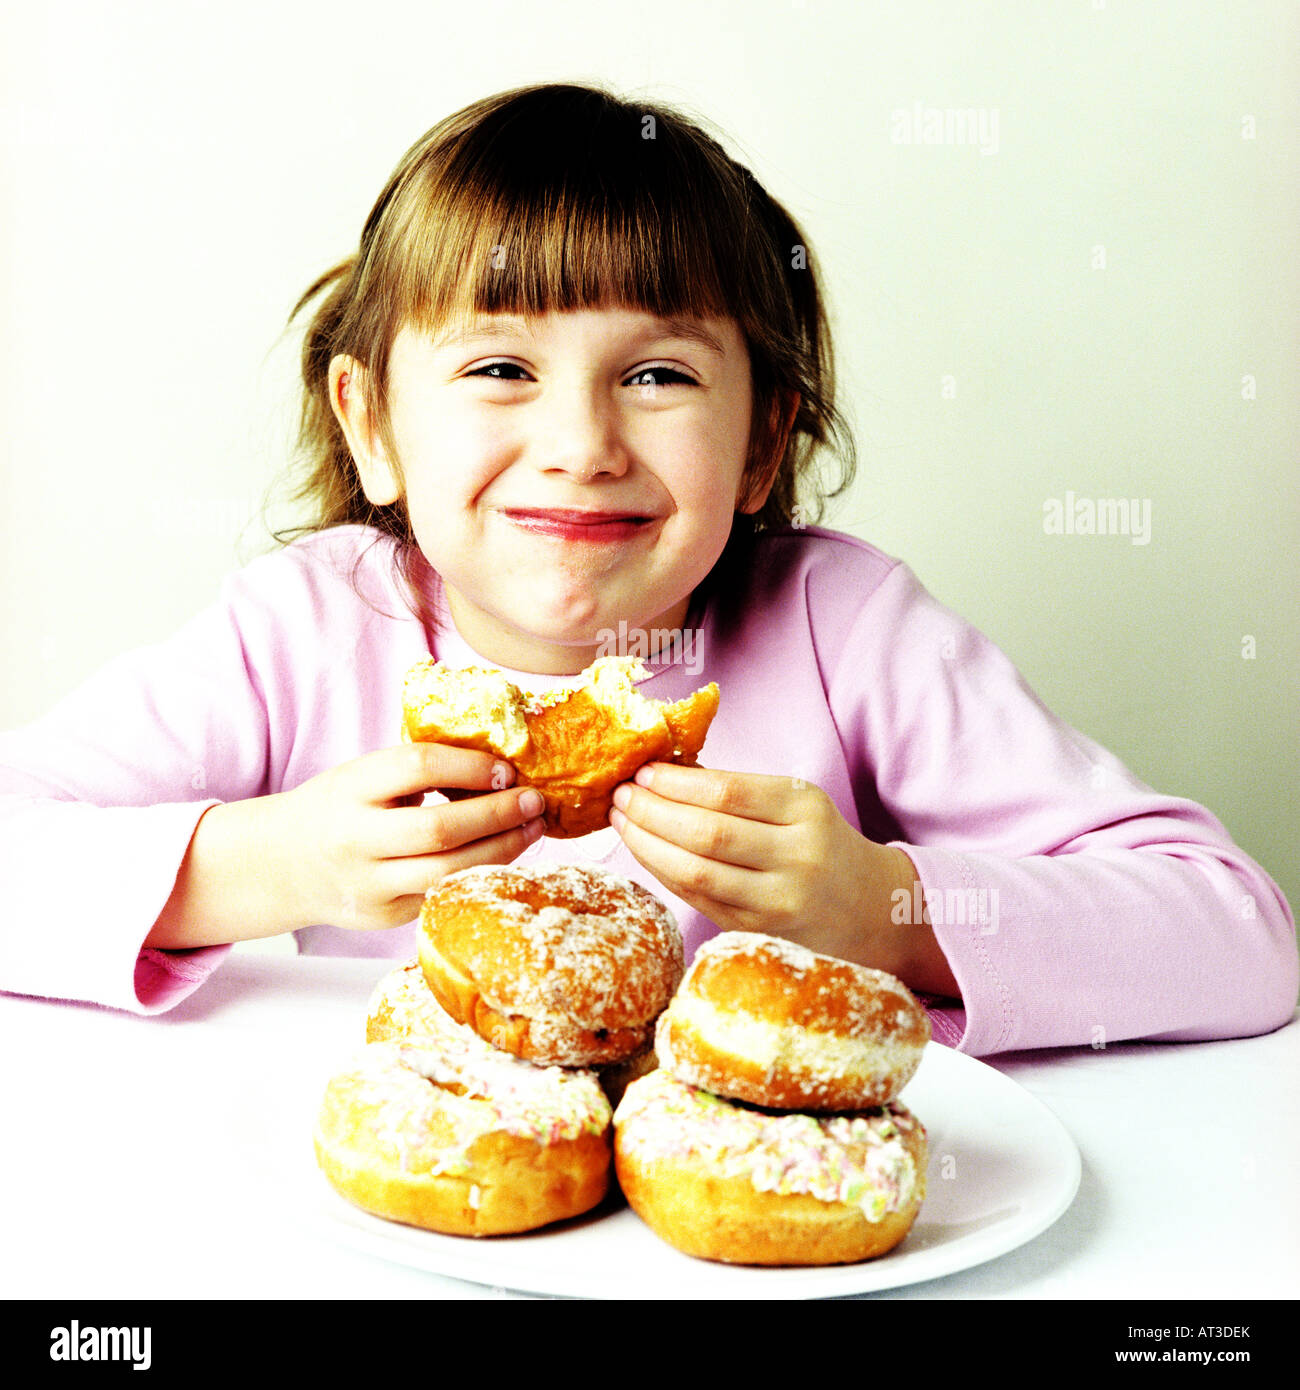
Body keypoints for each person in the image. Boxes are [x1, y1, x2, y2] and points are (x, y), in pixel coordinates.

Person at [0, 83, 1294, 1055]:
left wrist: (880, 906)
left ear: (761, 439)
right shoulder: (303, 631)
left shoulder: (843, 628)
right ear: (373, 424)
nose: (580, 447)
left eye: (659, 375)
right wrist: (279, 865)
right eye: (500, 369)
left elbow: (1239, 939)